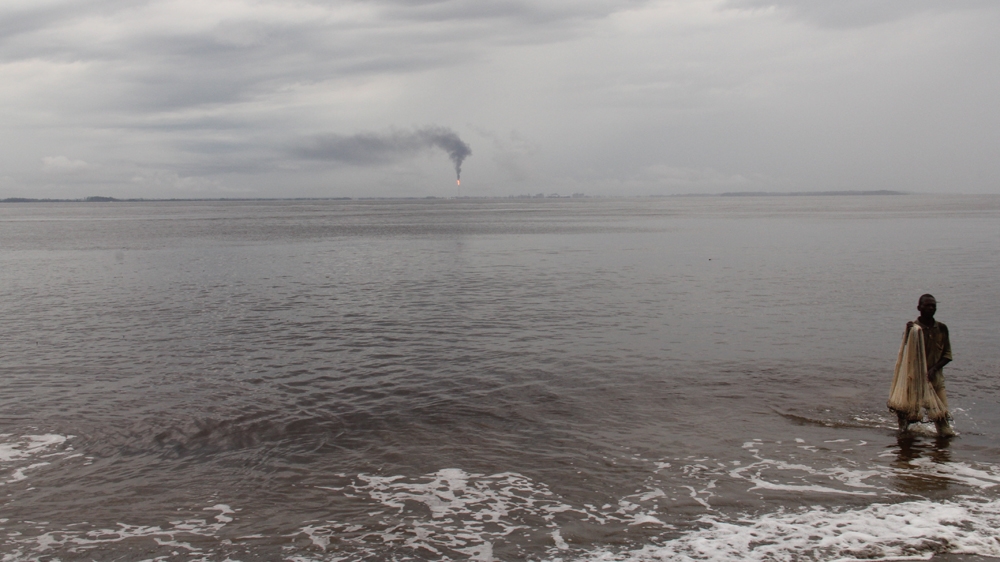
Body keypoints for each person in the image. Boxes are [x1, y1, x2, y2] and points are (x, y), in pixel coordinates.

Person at [897, 294, 954, 437]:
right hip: (915, 381)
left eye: (933, 306)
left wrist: (934, 369)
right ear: (919, 308)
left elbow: (947, 355)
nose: (931, 308)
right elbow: (905, 349)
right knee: (907, 419)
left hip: (935, 381)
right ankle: (905, 450)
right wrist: (909, 333)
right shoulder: (914, 329)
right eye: (927, 305)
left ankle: (942, 455)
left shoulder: (941, 328)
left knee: (942, 420)